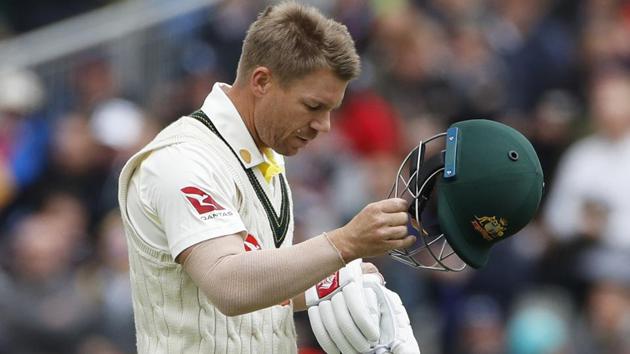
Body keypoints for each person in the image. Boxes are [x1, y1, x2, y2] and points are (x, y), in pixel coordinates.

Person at [117, 2, 415, 353]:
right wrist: (345, 243)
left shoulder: (265, 157)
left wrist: (330, 281)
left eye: (332, 110)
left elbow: (258, 294)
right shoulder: (182, 160)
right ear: (262, 81)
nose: (325, 126)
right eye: (313, 106)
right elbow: (229, 284)